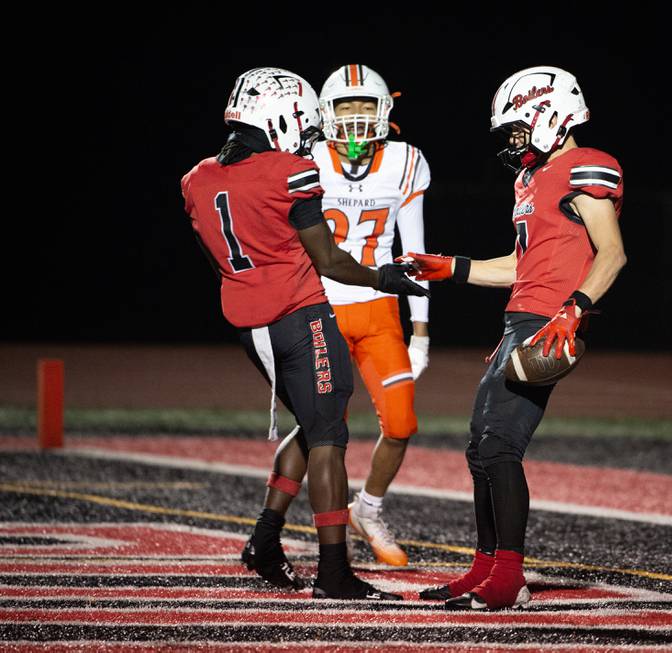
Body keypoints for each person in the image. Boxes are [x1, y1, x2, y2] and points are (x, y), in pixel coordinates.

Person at [180, 67, 428, 600]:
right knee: (330, 436)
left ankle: (265, 542)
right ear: (282, 116)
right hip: (301, 316)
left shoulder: (197, 179)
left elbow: (215, 256)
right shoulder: (291, 172)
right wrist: (385, 277)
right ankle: (334, 572)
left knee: (314, 426)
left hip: (249, 325)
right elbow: (331, 260)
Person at [402, 66, 626, 610]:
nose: (512, 140)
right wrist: (452, 268)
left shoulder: (586, 166)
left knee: (501, 443)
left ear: (550, 114)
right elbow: (518, 265)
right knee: (480, 445)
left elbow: (613, 253)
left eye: (518, 127)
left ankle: (509, 577)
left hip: (551, 322)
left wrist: (575, 309)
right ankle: (484, 568)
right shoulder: (528, 180)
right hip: (520, 317)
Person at [268, 64, 431, 567]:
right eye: (346, 106)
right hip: (320, 309)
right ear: (325, 113)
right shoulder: (304, 159)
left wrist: (421, 329)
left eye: (366, 106)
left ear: (386, 111)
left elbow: (414, 251)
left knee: (401, 422)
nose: (357, 118)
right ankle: (270, 525)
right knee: (320, 431)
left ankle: (369, 509)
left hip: (380, 310)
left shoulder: (405, 162)